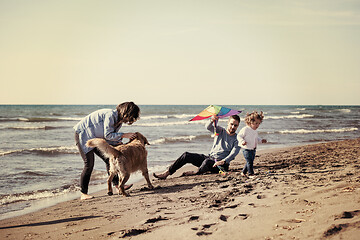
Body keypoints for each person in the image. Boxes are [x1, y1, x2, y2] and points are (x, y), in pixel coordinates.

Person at [74, 102, 140, 200]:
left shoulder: (119, 121)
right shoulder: (110, 115)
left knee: (110, 158)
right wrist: (124, 135)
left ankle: (117, 186)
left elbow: (111, 136)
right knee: (89, 164)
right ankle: (83, 193)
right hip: (83, 135)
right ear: (126, 112)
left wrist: (118, 142)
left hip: (97, 138)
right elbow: (108, 135)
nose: (130, 120)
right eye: (131, 117)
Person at [153, 115, 241, 179]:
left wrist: (223, 161)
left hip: (221, 165)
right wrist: (211, 120)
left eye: (235, 125)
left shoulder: (237, 139)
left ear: (238, 126)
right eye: (231, 124)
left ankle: (197, 172)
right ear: (228, 123)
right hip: (210, 158)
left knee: (207, 162)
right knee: (186, 155)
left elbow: (234, 153)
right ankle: (167, 173)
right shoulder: (220, 131)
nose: (233, 127)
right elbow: (208, 127)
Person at [237, 111, 267, 178]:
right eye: (256, 123)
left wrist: (261, 140)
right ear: (250, 122)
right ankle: (251, 174)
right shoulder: (245, 129)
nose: (257, 125)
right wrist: (242, 141)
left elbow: (256, 138)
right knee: (250, 162)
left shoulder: (255, 131)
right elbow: (239, 136)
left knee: (249, 161)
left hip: (253, 149)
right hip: (246, 149)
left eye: (259, 123)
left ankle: (243, 172)